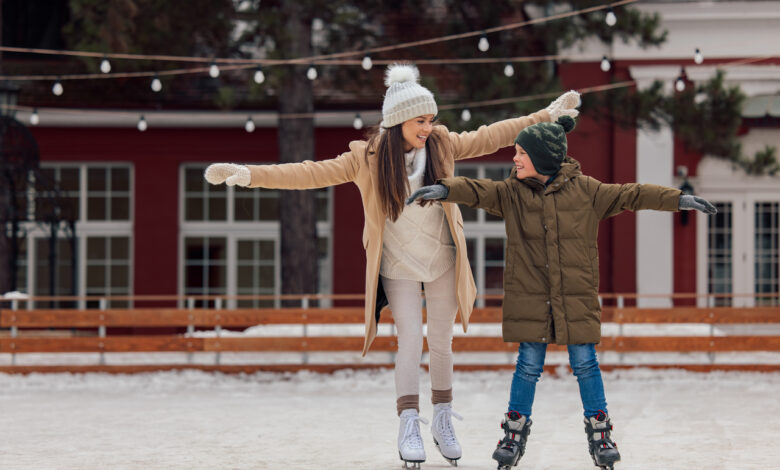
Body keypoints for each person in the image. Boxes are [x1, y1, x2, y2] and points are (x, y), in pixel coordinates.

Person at [203, 63, 581, 468]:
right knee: (409, 343)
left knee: (440, 343)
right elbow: (309, 173)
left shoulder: (442, 145)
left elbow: (493, 135)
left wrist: (546, 116)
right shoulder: (365, 159)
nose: (428, 127)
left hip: (442, 260)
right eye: (421, 120)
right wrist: (249, 175)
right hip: (398, 263)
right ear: (399, 120)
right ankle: (408, 423)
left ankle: (441, 419)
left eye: (431, 119)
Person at [406, 115, 717, 470]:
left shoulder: (588, 192)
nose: (515, 159)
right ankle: (513, 431)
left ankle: (601, 433)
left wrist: (679, 200)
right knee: (528, 365)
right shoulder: (512, 194)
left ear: (543, 158)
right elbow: (477, 191)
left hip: (575, 297)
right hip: (532, 298)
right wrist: (444, 189)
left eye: (522, 153)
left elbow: (633, 194)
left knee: (586, 363)